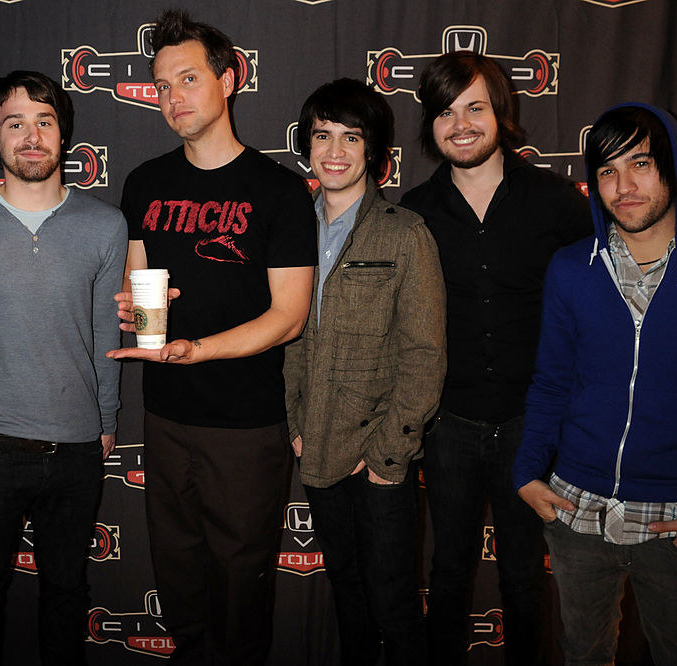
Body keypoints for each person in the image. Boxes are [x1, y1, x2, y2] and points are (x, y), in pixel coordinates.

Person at [514, 103, 677, 666]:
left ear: (675, 166)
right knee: (582, 655)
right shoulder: (572, 269)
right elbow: (551, 382)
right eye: (606, 170)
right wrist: (528, 471)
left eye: (640, 164)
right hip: (577, 514)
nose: (623, 186)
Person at [106, 9, 316, 665]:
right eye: (162, 85)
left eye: (188, 78)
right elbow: (142, 291)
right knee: (181, 586)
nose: (172, 97)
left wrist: (200, 348)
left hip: (247, 427)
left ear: (230, 78)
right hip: (167, 418)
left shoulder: (278, 190)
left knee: (241, 593)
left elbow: (290, 315)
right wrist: (139, 318)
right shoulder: (145, 183)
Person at [0, 70, 127, 665]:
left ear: (64, 136)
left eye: (45, 122)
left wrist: (106, 416)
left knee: (67, 592)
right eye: (15, 123)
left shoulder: (104, 225)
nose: (31, 136)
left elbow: (103, 330)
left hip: (76, 450)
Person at [398, 51, 592, 665]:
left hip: (532, 423)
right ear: (430, 124)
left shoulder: (560, 204)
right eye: (446, 112)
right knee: (448, 572)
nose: (461, 124)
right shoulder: (413, 214)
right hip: (447, 421)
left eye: (475, 108)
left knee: (525, 579)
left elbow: (599, 309)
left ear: (501, 113)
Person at [283, 78, 446, 666]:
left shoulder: (405, 235)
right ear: (307, 145)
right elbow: (287, 339)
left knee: (396, 607)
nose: (335, 151)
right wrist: (296, 426)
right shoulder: (291, 228)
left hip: (379, 461)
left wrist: (386, 457)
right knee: (347, 599)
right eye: (323, 136)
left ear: (374, 152)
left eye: (351, 138)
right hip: (318, 450)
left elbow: (424, 355)